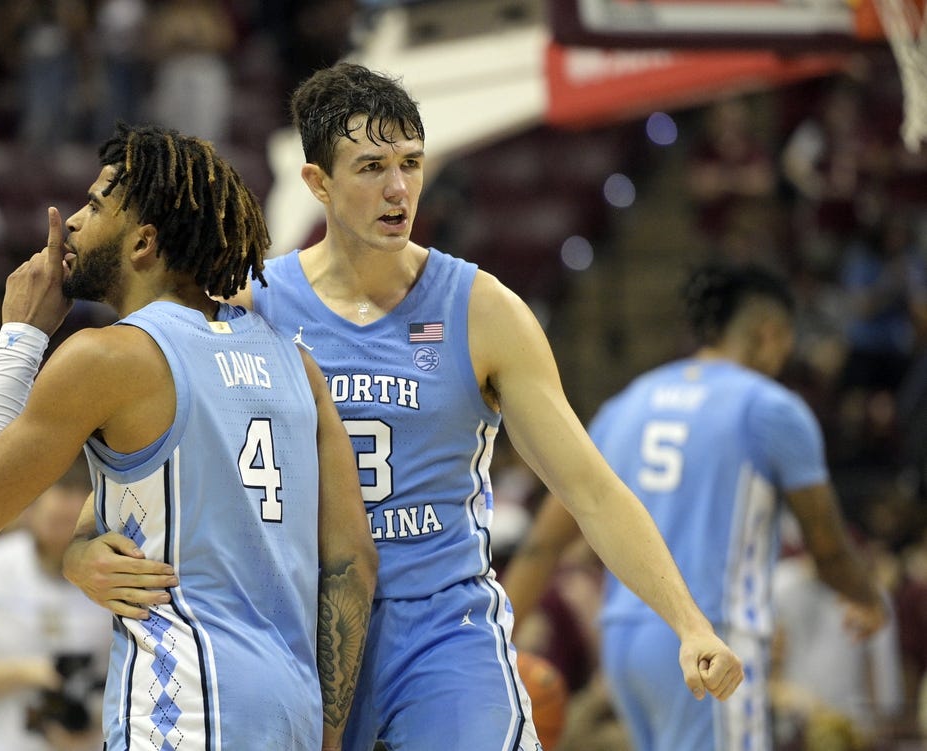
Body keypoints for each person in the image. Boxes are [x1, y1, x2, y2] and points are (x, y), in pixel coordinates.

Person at [63, 62, 743, 751]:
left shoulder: (482, 311)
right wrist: (80, 552)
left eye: (411, 163)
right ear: (317, 183)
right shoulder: (251, 306)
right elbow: (149, 478)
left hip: (442, 631)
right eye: (369, 167)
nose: (397, 189)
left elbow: (589, 489)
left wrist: (688, 622)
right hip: (306, 626)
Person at [0, 122, 377, 750]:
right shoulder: (295, 363)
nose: (71, 225)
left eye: (95, 206)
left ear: (143, 243)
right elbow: (352, 561)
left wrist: (22, 334)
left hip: (184, 709)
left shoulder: (107, 358)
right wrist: (78, 553)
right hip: (293, 712)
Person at [503, 262, 888, 751]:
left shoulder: (625, 404)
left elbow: (542, 545)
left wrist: (499, 641)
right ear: (769, 333)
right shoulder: (772, 407)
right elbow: (828, 547)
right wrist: (869, 597)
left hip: (623, 643)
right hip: (709, 639)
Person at [0, 459, 112, 751]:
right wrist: (29, 672)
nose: (68, 526)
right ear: (31, 508)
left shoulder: (113, 572)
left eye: (77, 518)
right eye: (58, 518)